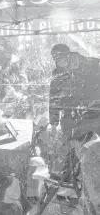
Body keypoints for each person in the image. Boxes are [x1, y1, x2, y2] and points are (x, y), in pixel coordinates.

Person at [49, 44, 100, 208]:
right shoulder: (57, 73)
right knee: (71, 158)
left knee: (92, 159)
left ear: (69, 54)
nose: (58, 62)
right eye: (55, 59)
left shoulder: (93, 65)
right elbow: (54, 99)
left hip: (94, 120)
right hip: (71, 123)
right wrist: (53, 122)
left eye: (60, 57)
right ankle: (73, 194)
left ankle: (93, 196)